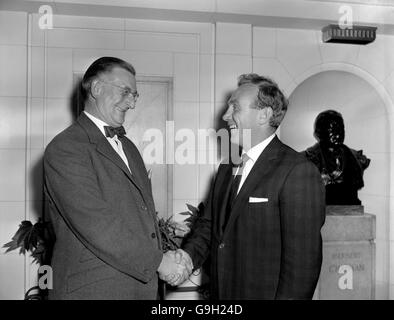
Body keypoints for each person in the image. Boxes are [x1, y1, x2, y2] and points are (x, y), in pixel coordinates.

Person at [44, 57, 187, 299]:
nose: (131, 103)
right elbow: (97, 223)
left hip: (138, 288)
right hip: (94, 291)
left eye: (135, 95)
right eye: (126, 92)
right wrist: (160, 262)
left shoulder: (129, 147)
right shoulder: (66, 147)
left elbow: (141, 218)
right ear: (97, 89)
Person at [172, 73, 326, 299]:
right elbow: (210, 225)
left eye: (235, 108)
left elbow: (303, 266)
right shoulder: (227, 167)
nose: (225, 116)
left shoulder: (297, 171)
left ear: (264, 115)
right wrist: (186, 257)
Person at [303, 110, 370, 205]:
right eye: (332, 130)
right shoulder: (305, 159)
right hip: (319, 209)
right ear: (319, 132)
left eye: (341, 129)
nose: (338, 134)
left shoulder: (358, 158)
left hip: (349, 207)